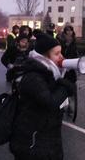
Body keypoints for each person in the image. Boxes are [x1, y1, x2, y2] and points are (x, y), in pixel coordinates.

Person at [9, 32, 75, 160]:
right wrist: (65, 86)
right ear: (44, 56)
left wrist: (66, 79)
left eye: (60, 52)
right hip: (32, 143)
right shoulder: (33, 77)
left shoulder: (51, 73)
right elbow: (50, 103)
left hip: (47, 140)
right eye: (56, 54)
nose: (61, 56)